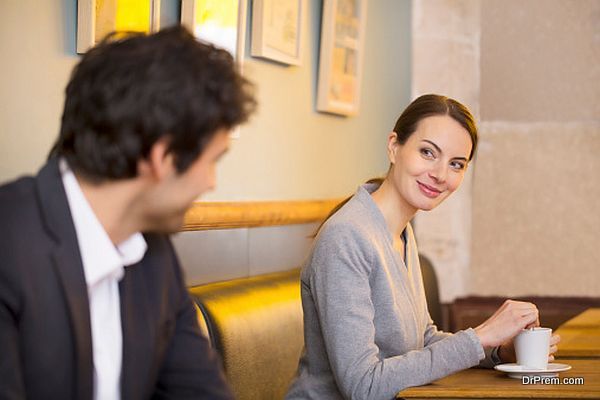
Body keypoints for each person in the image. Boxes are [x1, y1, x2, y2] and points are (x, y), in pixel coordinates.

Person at [0, 26, 255, 399]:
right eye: (213, 160)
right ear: (162, 157)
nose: (212, 182)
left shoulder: (156, 256)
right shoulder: (9, 244)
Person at [286, 94, 560, 400]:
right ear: (394, 146)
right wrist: (480, 335)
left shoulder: (400, 232)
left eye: (456, 164)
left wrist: (496, 350)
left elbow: (423, 338)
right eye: (428, 152)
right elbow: (363, 385)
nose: (441, 174)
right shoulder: (347, 237)